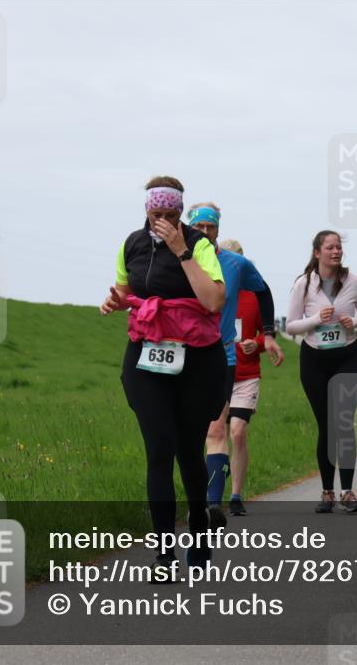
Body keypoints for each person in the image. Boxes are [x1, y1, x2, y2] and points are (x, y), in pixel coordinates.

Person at [101, 176, 226, 575]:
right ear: (147, 211)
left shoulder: (199, 245)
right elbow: (125, 291)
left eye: (172, 215)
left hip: (195, 360)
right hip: (147, 358)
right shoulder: (131, 244)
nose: (165, 222)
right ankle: (164, 556)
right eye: (158, 214)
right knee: (159, 450)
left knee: (189, 454)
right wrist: (114, 302)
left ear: (180, 211)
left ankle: (200, 526)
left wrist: (181, 250)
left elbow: (212, 300)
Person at [188, 203, 284, 520]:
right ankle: (197, 497)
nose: (204, 233)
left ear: (218, 229)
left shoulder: (235, 264)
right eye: (198, 227)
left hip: (221, 355)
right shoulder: (176, 262)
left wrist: (267, 334)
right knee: (187, 434)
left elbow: (264, 292)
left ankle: (213, 506)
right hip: (182, 356)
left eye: (210, 228)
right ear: (189, 227)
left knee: (218, 430)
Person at [287, 231, 357, 513]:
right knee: (327, 426)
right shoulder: (304, 284)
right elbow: (291, 326)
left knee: (344, 423)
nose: (336, 252)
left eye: (339, 247)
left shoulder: (354, 282)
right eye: (330, 247)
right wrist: (314, 319)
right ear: (317, 252)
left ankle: (348, 492)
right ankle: (327, 492)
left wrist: (354, 322)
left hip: (346, 357)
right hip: (314, 359)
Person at [219, 239, 267, 517]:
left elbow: (267, 333)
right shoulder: (211, 293)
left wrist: (256, 343)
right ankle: (215, 494)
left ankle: (236, 495)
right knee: (218, 435)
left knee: (237, 433)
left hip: (245, 375)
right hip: (216, 375)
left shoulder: (253, 296)